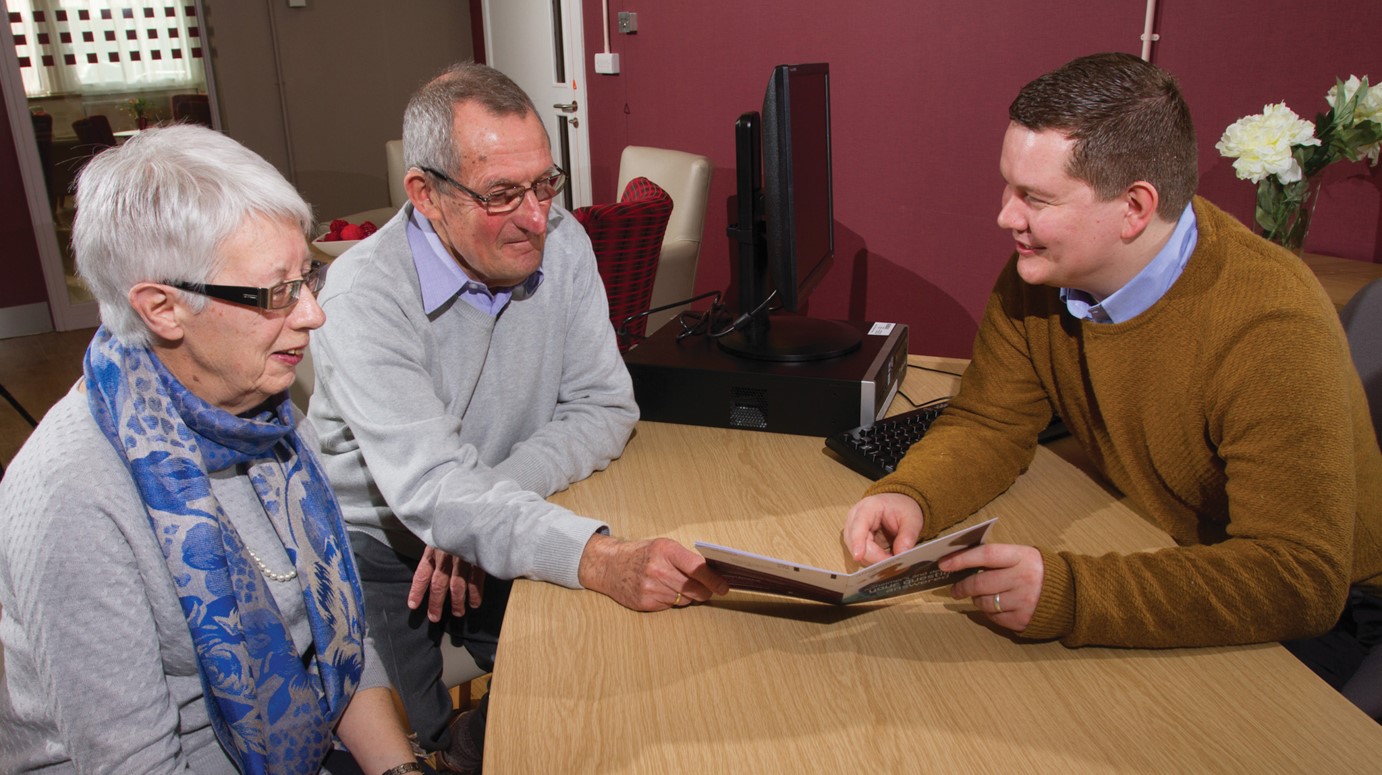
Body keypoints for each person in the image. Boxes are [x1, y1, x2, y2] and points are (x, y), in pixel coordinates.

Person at [842, 53, 1382, 715]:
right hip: (1181, 550)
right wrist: (914, 495)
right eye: (1009, 187)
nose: (1005, 217)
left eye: (1035, 198)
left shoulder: (1270, 319)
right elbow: (989, 422)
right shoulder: (1036, 276)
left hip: (1336, 616)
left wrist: (1070, 592)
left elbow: (1299, 576)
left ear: (1133, 208)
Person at [307, 62, 727, 771]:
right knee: (430, 749)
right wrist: (590, 555)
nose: (538, 217)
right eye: (504, 194)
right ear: (426, 194)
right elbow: (435, 492)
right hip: (377, 552)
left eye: (545, 183)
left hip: (502, 509)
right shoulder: (364, 295)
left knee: (591, 684)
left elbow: (604, 404)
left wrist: (483, 505)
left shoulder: (562, 241)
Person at [0, 125, 428, 773]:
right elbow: (136, 763)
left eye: (306, 275)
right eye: (276, 290)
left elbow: (339, 641)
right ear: (163, 309)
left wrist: (401, 769)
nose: (313, 312)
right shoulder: (71, 495)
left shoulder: (266, 410)